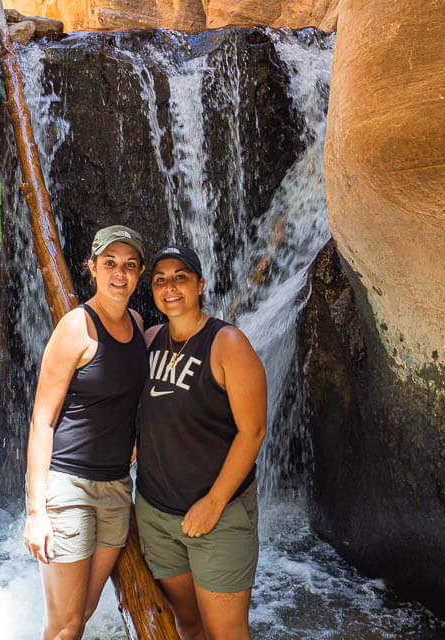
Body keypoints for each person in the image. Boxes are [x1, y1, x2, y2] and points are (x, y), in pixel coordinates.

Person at [135, 244, 267, 640]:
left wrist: (213, 503)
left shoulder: (227, 343)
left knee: (225, 631)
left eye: (180, 277)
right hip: (156, 515)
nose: (170, 286)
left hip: (217, 516)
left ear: (200, 284)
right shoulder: (151, 338)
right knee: (187, 626)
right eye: (160, 280)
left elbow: (254, 430)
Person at [23, 225, 147, 640]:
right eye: (109, 263)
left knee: (84, 612)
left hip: (115, 492)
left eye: (129, 266)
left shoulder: (137, 324)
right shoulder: (76, 328)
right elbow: (42, 419)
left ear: (140, 272)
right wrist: (37, 512)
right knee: (65, 626)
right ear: (91, 268)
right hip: (69, 490)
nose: (119, 274)